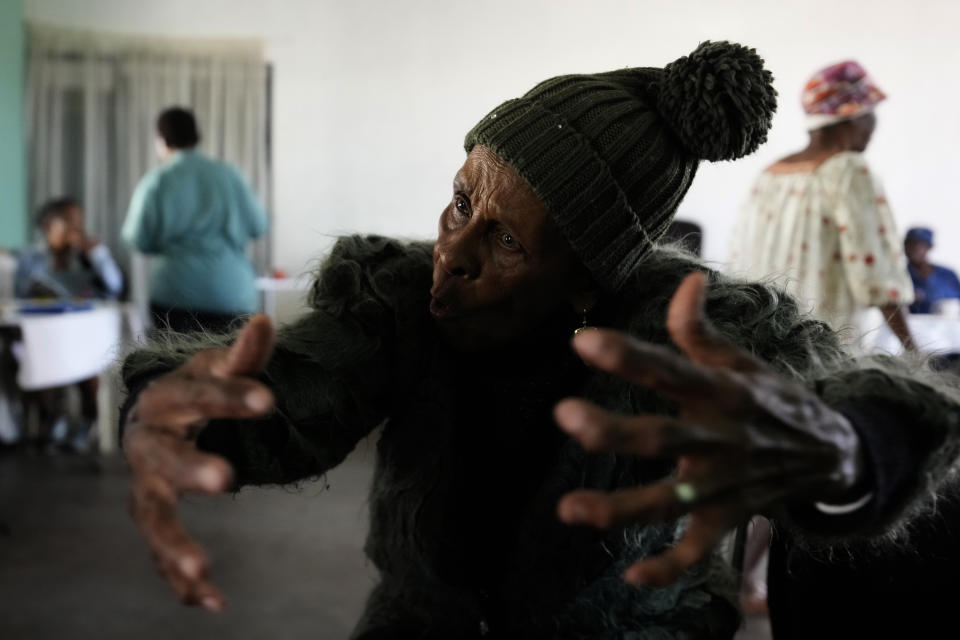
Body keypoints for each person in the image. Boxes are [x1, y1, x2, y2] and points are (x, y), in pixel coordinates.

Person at [119, 43, 960, 639]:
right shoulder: (398, 297)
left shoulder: (693, 328)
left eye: (509, 243)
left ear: (591, 276)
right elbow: (299, 391)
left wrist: (853, 449)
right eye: (460, 203)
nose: (453, 252)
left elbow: (861, 398)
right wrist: (186, 409)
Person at [730, 60, 915, 351]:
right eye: (871, 114)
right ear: (853, 116)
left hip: (759, 347)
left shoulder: (769, 175)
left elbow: (738, 261)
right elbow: (877, 275)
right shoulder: (849, 171)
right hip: (821, 353)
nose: (873, 126)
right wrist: (914, 351)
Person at [122, 107, 268, 334]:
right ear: (196, 136)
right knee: (231, 367)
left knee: (178, 367)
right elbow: (260, 226)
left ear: (161, 140)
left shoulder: (157, 181)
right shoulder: (230, 175)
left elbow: (136, 239)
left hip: (175, 294)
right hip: (231, 294)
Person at [14, 197, 124, 451]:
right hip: (45, 331)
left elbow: (114, 287)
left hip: (82, 331)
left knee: (88, 368)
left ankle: (87, 423)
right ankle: (53, 419)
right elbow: (21, 296)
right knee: (40, 360)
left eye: (80, 222)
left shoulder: (88, 256)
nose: (77, 228)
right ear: (48, 225)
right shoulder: (32, 257)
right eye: (69, 222)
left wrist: (98, 254)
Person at [905, 227, 960, 316]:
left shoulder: (948, 275)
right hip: (914, 327)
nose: (915, 248)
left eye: (921, 245)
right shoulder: (899, 275)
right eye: (910, 244)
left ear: (929, 247)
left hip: (950, 327)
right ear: (904, 246)